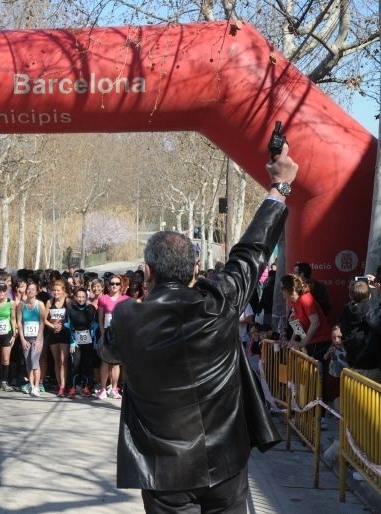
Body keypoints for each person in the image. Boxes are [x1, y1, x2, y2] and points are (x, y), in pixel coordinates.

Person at [99, 143, 297, 512]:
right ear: (193, 269)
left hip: (164, 471)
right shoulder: (219, 302)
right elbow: (251, 253)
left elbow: (108, 351)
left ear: (147, 271)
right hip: (226, 462)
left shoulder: (127, 318)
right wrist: (280, 186)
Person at [336, 279, 381, 382]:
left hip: (353, 368)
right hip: (372, 367)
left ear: (350, 296)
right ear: (369, 296)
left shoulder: (345, 313)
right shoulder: (372, 312)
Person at [17, 281, 45, 397]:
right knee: (28, 362)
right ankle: (31, 385)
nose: (30, 291)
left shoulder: (40, 305)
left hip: (37, 337)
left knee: (34, 360)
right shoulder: (21, 305)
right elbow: (19, 322)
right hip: (26, 337)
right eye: (29, 289)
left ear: (36, 292)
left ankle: (37, 386)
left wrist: (38, 339)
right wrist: (22, 339)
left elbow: (42, 322)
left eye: (33, 289)